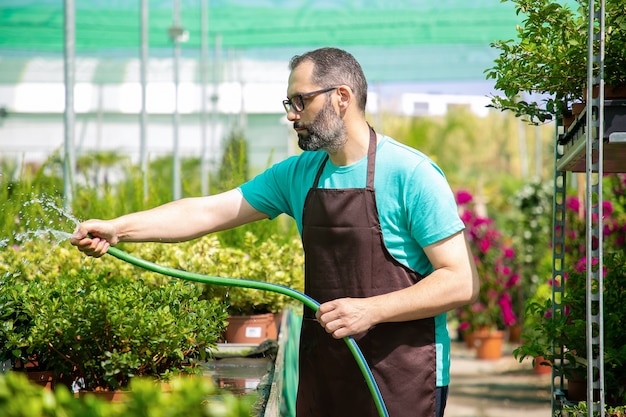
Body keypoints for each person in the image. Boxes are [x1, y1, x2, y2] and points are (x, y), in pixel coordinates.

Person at [71, 47, 479, 417]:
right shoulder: (299, 174)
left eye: (301, 100)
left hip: (403, 376)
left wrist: (370, 310)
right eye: (290, 102)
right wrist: (119, 229)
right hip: (327, 372)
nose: (291, 114)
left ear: (342, 97)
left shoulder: (412, 175)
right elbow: (208, 211)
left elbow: (459, 282)